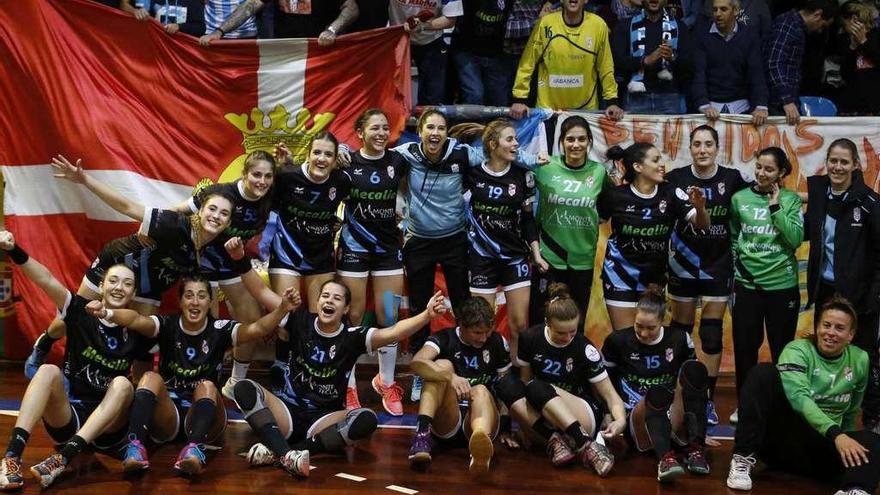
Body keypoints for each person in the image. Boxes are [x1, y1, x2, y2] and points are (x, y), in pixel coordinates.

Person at [40, 153, 273, 400]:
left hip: (149, 285)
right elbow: (128, 207)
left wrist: (213, 336)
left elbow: (208, 298)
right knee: (75, 317)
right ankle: (44, 345)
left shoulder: (203, 255)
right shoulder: (173, 224)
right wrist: (84, 179)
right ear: (199, 210)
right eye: (211, 209)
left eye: (223, 214)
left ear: (228, 223)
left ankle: (139, 399)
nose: (215, 216)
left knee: (143, 338)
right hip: (118, 264)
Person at [225, 238, 448, 476]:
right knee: (245, 388)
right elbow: (260, 291)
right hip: (288, 410)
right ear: (318, 301)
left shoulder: (353, 336)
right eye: (325, 296)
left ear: (346, 309)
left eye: (337, 298)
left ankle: (285, 450)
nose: (329, 300)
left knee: (366, 418)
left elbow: (393, 331)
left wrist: (426, 315)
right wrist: (240, 259)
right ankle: (288, 454)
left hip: (324, 418)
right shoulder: (299, 320)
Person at [387, 109, 544, 400]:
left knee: (463, 306)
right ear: (420, 131)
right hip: (419, 242)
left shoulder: (462, 155)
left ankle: (463, 369)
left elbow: (496, 156)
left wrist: (532, 160)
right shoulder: (407, 153)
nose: (435, 133)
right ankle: (423, 374)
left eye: (441, 128)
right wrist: (344, 150)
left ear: (447, 132)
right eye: (430, 127)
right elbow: (377, 153)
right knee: (421, 308)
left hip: (455, 241)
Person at [84, 276, 299, 475]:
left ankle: (195, 450)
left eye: (201, 296)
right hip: (172, 416)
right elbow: (136, 320)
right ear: (180, 301)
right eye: (189, 295)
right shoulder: (167, 325)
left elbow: (257, 329)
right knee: (150, 377)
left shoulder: (219, 329)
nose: (195, 302)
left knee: (206, 385)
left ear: (209, 302)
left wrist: (282, 310)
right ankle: (135, 448)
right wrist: (107, 313)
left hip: (208, 415)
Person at [0, 232, 153, 490]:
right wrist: (15, 250)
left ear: (134, 292)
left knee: (124, 385)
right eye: (113, 281)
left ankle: (63, 458)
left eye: (127, 284)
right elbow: (46, 280)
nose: (118, 287)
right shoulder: (81, 311)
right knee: (48, 370)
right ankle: (12, 457)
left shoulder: (137, 329)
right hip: (70, 418)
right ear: (102, 286)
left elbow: (144, 382)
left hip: (108, 429)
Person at [727, 296, 880, 495]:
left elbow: (852, 410)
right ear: (817, 327)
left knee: (873, 440)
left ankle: (855, 489)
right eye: (826, 325)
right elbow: (799, 398)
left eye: (839, 328)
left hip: (822, 448)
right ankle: (742, 457)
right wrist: (838, 434)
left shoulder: (860, 359)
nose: (831, 333)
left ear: (851, 335)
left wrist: (846, 444)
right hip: (783, 443)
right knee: (763, 374)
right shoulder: (797, 350)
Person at [664, 125, 750, 424]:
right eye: (697, 144)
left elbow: (753, 204)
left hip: (718, 263)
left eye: (708, 144)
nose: (703, 150)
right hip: (683, 263)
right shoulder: (676, 178)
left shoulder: (732, 179)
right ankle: (683, 395)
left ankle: (708, 401)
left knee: (711, 334)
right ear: (690, 147)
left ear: (717, 148)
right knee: (680, 332)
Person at [495, 283, 627, 476]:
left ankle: (587, 445)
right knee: (506, 383)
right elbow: (523, 383)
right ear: (547, 323)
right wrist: (521, 426)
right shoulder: (530, 338)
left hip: (580, 414)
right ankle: (555, 441)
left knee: (537, 387)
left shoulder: (584, 347)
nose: (567, 338)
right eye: (561, 333)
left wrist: (621, 420)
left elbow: (610, 395)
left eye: (572, 332)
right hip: (544, 419)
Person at [804, 138, 880, 426]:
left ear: (856, 165)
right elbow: (809, 230)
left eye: (844, 162)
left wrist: (874, 297)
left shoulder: (870, 203)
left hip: (860, 295)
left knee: (866, 357)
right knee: (827, 351)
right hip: (826, 290)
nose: (837, 166)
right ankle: (825, 415)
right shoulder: (820, 191)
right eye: (833, 160)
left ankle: (872, 418)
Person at [337, 109, 408, 416]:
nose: (381, 133)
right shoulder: (347, 162)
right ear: (360, 132)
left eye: (385, 128)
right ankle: (349, 386)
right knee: (351, 317)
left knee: (389, 316)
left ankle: (386, 381)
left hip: (388, 250)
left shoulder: (398, 161)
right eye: (374, 128)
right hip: (354, 248)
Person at [602, 286, 711, 482]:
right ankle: (664, 460)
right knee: (657, 392)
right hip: (638, 418)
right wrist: (607, 414)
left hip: (672, 414)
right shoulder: (617, 341)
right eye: (638, 326)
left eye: (651, 328)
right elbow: (605, 384)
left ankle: (696, 448)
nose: (643, 333)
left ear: (662, 321)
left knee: (695, 370)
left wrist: (700, 427)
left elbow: (692, 387)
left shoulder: (679, 339)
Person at [454, 119, 541, 360]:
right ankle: (485, 373)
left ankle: (517, 377)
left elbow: (527, 220)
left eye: (516, 139)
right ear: (493, 144)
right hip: (482, 257)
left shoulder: (524, 176)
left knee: (519, 325)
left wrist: (536, 253)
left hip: (514, 256)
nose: (516, 143)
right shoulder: (472, 173)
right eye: (510, 139)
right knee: (480, 323)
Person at [599, 143, 710, 331]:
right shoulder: (615, 195)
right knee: (626, 339)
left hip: (654, 279)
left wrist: (700, 207)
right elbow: (594, 222)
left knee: (649, 337)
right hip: (619, 275)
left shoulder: (671, 192)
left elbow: (702, 224)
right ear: (638, 167)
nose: (662, 165)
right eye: (655, 160)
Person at [729, 147, 803, 400]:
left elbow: (795, 239)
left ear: (781, 172)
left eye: (769, 169)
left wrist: (775, 208)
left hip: (782, 287)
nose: (761, 173)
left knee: (783, 351)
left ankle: (781, 405)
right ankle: (746, 403)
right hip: (747, 286)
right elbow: (733, 236)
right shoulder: (739, 198)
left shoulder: (791, 200)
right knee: (745, 350)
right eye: (758, 166)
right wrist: (738, 266)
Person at [408, 297, 512, 473]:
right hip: (449, 419)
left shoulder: (497, 342)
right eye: (477, 333)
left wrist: (506, 427)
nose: (484, 337)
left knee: (480, 389)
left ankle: (480, 449)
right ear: (462, 325)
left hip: (482, 416)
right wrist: (451, 377)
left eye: (487, 331)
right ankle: (422, 436)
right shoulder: (444, 338)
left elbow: (506, 388)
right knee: (441, 366)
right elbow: (416, 362)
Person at [529, 115, 611, 328]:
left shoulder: (599, 172)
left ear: (589, 142)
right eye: (570, 139)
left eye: (582, 139)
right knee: (541, 321)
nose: (576, 145)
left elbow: (608, 208)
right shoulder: (545, 166)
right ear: (562, 142)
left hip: (582, 260)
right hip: (547, 259)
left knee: (576, 323)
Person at [269, 132, 351, 312]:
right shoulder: (287, 176)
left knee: (321, 317)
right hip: (286, 255)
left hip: (321, 257)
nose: (321, 159)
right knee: (287, 318)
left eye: (328, 155)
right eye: (317, 153)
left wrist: (337, 221)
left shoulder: (342, 180)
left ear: (335, 159)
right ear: (308, 154)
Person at [509, 0, 625, 121]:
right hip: (548, 111)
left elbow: (606, 67)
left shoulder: (598, 25)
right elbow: (527, 64)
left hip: (585, 111)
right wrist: (519, 99)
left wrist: (612, 102)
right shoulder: (545, 23)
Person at [692, 0, 769, 126]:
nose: (718, 14)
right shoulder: (702, 36)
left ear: (736, 11)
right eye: (715, 9)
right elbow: (698, 74)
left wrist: (761, 106)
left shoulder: (749, 36)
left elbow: (756, 74)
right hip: (710, 107)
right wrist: (703, 104)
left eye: (723, 9)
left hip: (742, 107)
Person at [611, 0, 693, 115]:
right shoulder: (625, 25)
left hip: (669, 97)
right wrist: (644, 61)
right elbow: (617, 61)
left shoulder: (679, 27)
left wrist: (672, 57)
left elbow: (690, 66)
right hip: (635, 98)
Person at [765, 0, 838, 125]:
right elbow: (774, 63)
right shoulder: (788, 25)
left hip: (785, 103)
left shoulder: (795, 26)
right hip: (778, 104)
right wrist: (787, 100)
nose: (820, 30)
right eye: (823, 26)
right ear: (818, 14)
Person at [390, 0, 463, 106]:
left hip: (431, 40)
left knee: (432, 94)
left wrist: (424, 26)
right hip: (398, 38)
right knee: (393, 88)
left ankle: (427, 120)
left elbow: (450, 19)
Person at [199, 0, 359, 46]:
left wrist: (332, 30)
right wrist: (219, 31)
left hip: (319, 48)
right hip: (285, 49)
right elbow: (250, 6)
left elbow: (351, 8)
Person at [451, 0, 515, 106]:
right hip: (466, 50)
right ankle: (471, 123)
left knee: (500, 99)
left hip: (496, 52)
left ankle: (497, 123)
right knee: (475, 94)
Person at [837, 1, 880, 115]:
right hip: (852, 105)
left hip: (875, 105)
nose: (843, 28)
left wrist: (863, 42)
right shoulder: (846, 40)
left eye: (844, 24)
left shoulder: (876, 36)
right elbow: (845, 74)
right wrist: (852, 47)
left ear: (854, 19)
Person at [120, 0, 206, 35]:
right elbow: (123, 5)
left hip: (178, 55)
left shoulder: (192, 1)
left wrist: (179, 27)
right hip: (152, 51)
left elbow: (200, 28)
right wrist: (136, 11)